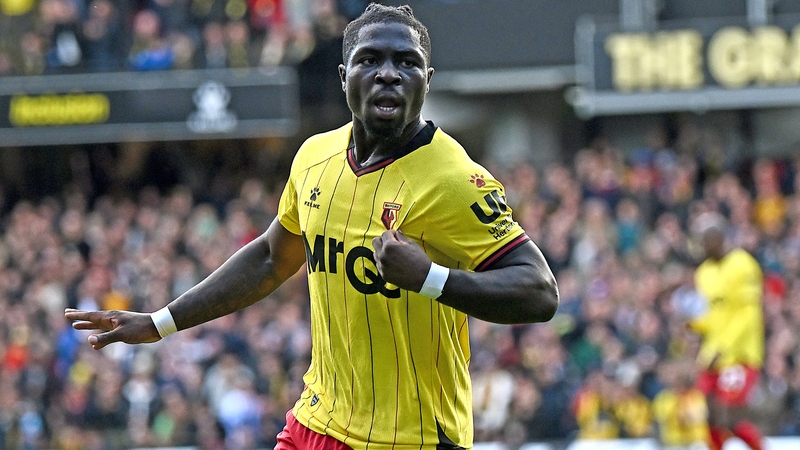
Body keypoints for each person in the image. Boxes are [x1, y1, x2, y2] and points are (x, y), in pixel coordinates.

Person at [64, 4, 559, 450]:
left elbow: (539, 291)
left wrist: (429, 278)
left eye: (406, 62)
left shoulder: (455, 180)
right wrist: (160, 323)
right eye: (370, 60)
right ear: (344, 76)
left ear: (426, 80)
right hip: (315, 423)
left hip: (410, 437)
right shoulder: (314, 157)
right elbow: (269, 258)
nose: (388, 73)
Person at [688, 214, 765, 450]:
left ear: (717, 238)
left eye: (704, 240)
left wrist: (724, 348)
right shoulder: (704, 272)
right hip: (712, 355)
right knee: (708, 417)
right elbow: (713, 314)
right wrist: (694, 325)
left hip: (739, 354)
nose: (701, 246)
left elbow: (749, 314)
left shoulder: (743, 265)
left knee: (731, 417)